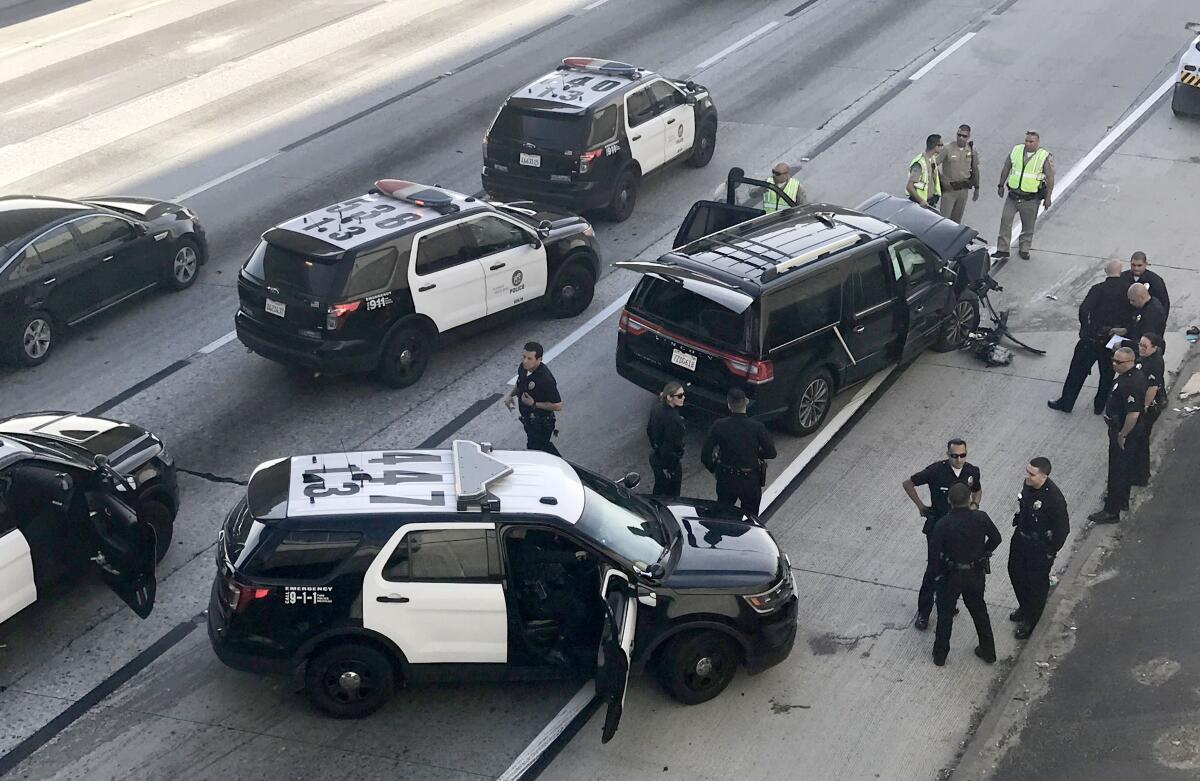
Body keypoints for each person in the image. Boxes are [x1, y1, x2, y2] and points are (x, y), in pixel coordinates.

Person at [901, 439, 983, 630]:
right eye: (955, 456)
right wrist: (921, 506)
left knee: (954, 568)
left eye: (963, 455)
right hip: (938, 527)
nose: (959, 459)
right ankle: (924, 612)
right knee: (934, 569)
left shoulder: (972, 472)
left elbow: (977, 490)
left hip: (960, 529)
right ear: (948, 455)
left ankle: (948, 603)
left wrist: (974, 504)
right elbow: (908, 483)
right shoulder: (936, 471)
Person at [929, 483, 1001, 666]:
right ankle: (988, 651)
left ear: (949, 501)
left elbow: (934, 554)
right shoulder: (980, 517)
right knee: (979, 612)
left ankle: (940, 656)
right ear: (970, 499)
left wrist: (936, 576)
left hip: (951, 575)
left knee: (945, 614)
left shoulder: (943, 524)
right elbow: (996, 538)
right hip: (975, 573)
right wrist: (984, 552)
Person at [1047, 260, 1132, 414]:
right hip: (1114, 340)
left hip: (1093, 337)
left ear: (1106, 271)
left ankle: (1067, 403)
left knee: (1077, 372)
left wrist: (1086, 329)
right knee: (1107, 374)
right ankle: (1100, 406)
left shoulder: (1098, 289)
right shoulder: (1127, 291)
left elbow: (1084, 310)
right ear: (1120, 272)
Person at [1008, 457, 1070, 639]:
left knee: (1036, 583)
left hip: (1040, 546)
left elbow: (1062, 529)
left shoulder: (1054, 498)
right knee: (1015, 572)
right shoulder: (1028, 485)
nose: (1027, 476)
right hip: (1022, 538)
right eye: (1027, 471)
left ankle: (1031, 619)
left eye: (1032, 474)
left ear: (1043, 476)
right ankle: (1024, 606)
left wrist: (1051, 551)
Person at [1088, 347, 1147, 524]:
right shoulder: (1127, 376)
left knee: (1117, 470)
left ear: (1130, 362)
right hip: (1120, 427)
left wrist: (1122, 434)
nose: (1114, 364)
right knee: (1123, 467)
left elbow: (1133, 414)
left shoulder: (1130, 383)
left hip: (1124, 430)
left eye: (1118, 362)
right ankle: (1121, 501)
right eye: (1113, 360)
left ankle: (1111, 511)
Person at [701, 388, 777, 517]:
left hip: (726, 477)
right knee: (750, 519)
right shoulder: (757, 427)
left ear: (729, 404)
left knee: (723, 514)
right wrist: (755, 454)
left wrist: (714, 470)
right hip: (750, 480)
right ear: (746, 402)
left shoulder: (719, 425)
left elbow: (705, 455)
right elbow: (771, 453)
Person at [993, 130, 1054, 260]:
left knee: (1028, 225)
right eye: (1026, 140)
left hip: (1030, 198)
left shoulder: (1043, 156)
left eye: (1031, 141)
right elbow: (1006, 168)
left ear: (1037, 142)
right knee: (1005, 220)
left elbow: (1050, 177)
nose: (1027, 143)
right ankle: (1002, 249)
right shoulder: (1016, 150)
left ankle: (1024, 249)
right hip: (1013, 195)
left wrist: (1048, 198)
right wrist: (1000, 185)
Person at [503, 341, 563, 456]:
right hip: (529, 419)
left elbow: (558, 405)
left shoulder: (546, 379)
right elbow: (520, 382)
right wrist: (510, 394)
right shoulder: (523, 368)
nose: (525, 361)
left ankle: (562, 466)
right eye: (524, 357)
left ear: (539, 359)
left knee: (537, 450)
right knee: (540, 448)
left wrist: (534, 404)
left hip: (542, 422)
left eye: (529, 358)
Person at [1132, 333, 1166, 487]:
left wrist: (1143, 408)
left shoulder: (1154, 364)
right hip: (1145, 404)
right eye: (1140, 345)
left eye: (1145, 346)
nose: (1141, 348)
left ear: (1155, 347)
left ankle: (1141, 476)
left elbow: (1152, 389)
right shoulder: (1146, 358)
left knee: (1141, 440)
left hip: (1150, 407)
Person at [646, 381, 687, 497]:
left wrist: (655, 446)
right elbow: (672, 447)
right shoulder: (675, 421)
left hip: (655, 457)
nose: (683, 398)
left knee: (659, 487)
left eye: (683, 394)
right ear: (669, 398)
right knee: (673, 495)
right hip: (668, 463)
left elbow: (649, 430)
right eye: (679, 396)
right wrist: (672, 467)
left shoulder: (656, 408)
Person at [936, 124, 980, 223]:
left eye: (964, 136)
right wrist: (941, 180)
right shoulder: (948, 149)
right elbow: (933, 165)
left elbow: (975, 169)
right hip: (949, 190)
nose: (960, 138)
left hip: (963, 190)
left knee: (956, 222)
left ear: (968, 137)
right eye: (958, 135)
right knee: (944, 220)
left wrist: (977, 188)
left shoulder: (971, 150)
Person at [1121, 251, 1170, 318]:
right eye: (1133, 265)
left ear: (1145, 264)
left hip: (1147, 319)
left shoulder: (1155, 280)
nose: (1136, 268)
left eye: (1139, 265)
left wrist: (1161, 321)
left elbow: (1164, 303)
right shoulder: (1122, 278)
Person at [906, 134, 943, 210]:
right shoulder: (919, 164)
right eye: (941, 145)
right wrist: (921, 201)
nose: (942, 148)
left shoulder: (932, 159)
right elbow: (909, 187)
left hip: (930, 202)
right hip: (919, 204)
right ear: (936, 146)